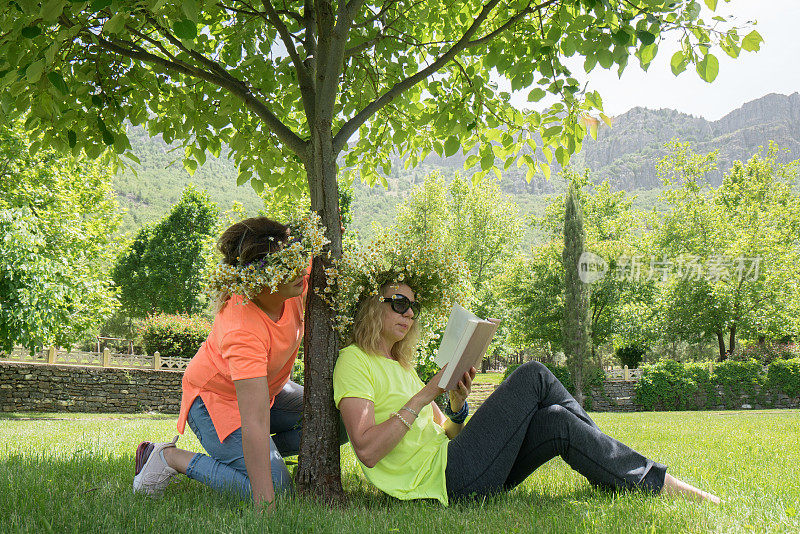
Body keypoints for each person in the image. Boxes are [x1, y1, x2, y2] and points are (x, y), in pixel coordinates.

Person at [333, 281, 721, 506]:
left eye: (413, 307)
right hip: (445, 480)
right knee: (533, 374)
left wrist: (455, 406)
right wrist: (423, 395)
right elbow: (366, 450)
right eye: (398, 303)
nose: (409, 313)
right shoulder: (354, 360)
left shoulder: (402, 364)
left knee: (557, 423)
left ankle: (652, 482)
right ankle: (627, 462)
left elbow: (450, 433)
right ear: (372, 306)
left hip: (459, 464)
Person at [133, 215, 330, 508]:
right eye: (288, 263)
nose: (301, 267)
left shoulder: (289, 276)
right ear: (257, 279)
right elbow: (254, 420)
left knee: (334, 416)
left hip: (269, 394)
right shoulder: (243, 327)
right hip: (216, 402)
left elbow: (306, 242)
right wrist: (266, 503)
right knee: (277, 489)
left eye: (297, 256)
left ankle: (254, 457)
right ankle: (166, 457)